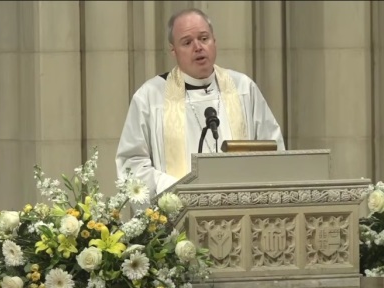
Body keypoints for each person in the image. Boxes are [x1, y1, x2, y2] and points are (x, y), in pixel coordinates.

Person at [115, 8, 286, 198]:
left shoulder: (242, 88)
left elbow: (273, 148)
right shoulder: (150, 96)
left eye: (204, 38)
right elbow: (132, 163)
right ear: (173, 50)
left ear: (214, 41)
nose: (198, 47)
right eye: (187, 42)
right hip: (179, 215)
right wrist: (174, 189)